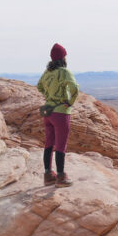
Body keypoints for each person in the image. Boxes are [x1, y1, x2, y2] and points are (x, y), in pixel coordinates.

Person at [37, 43, 79, 187]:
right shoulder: (64, 72)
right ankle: (61, 177)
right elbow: (74, 88)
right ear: (63, 58)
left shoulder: (47, 72)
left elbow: (39, 86)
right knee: (61, 144)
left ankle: (48, 175)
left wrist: (49, 97)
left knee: (49, 142)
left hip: (47, 111)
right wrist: (69, 102)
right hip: (60, 112)